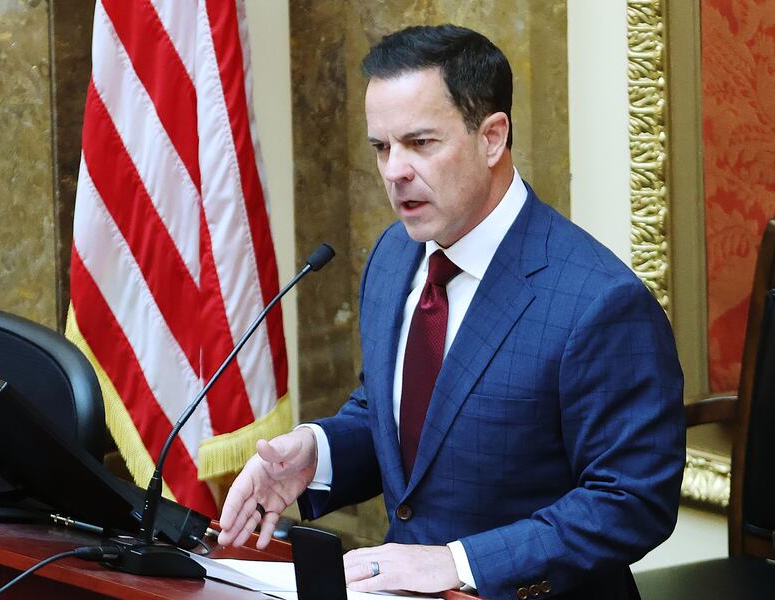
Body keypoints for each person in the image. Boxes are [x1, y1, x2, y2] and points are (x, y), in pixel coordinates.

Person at [218, 24, 685, 600]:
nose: (393, 171)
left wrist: (462, 563)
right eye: (381, 147)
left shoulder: (599, 302)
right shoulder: (394, 256)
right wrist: (317, 454)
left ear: (492, 137)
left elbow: (632, 500)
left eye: (420, 143)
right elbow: (397, 418)